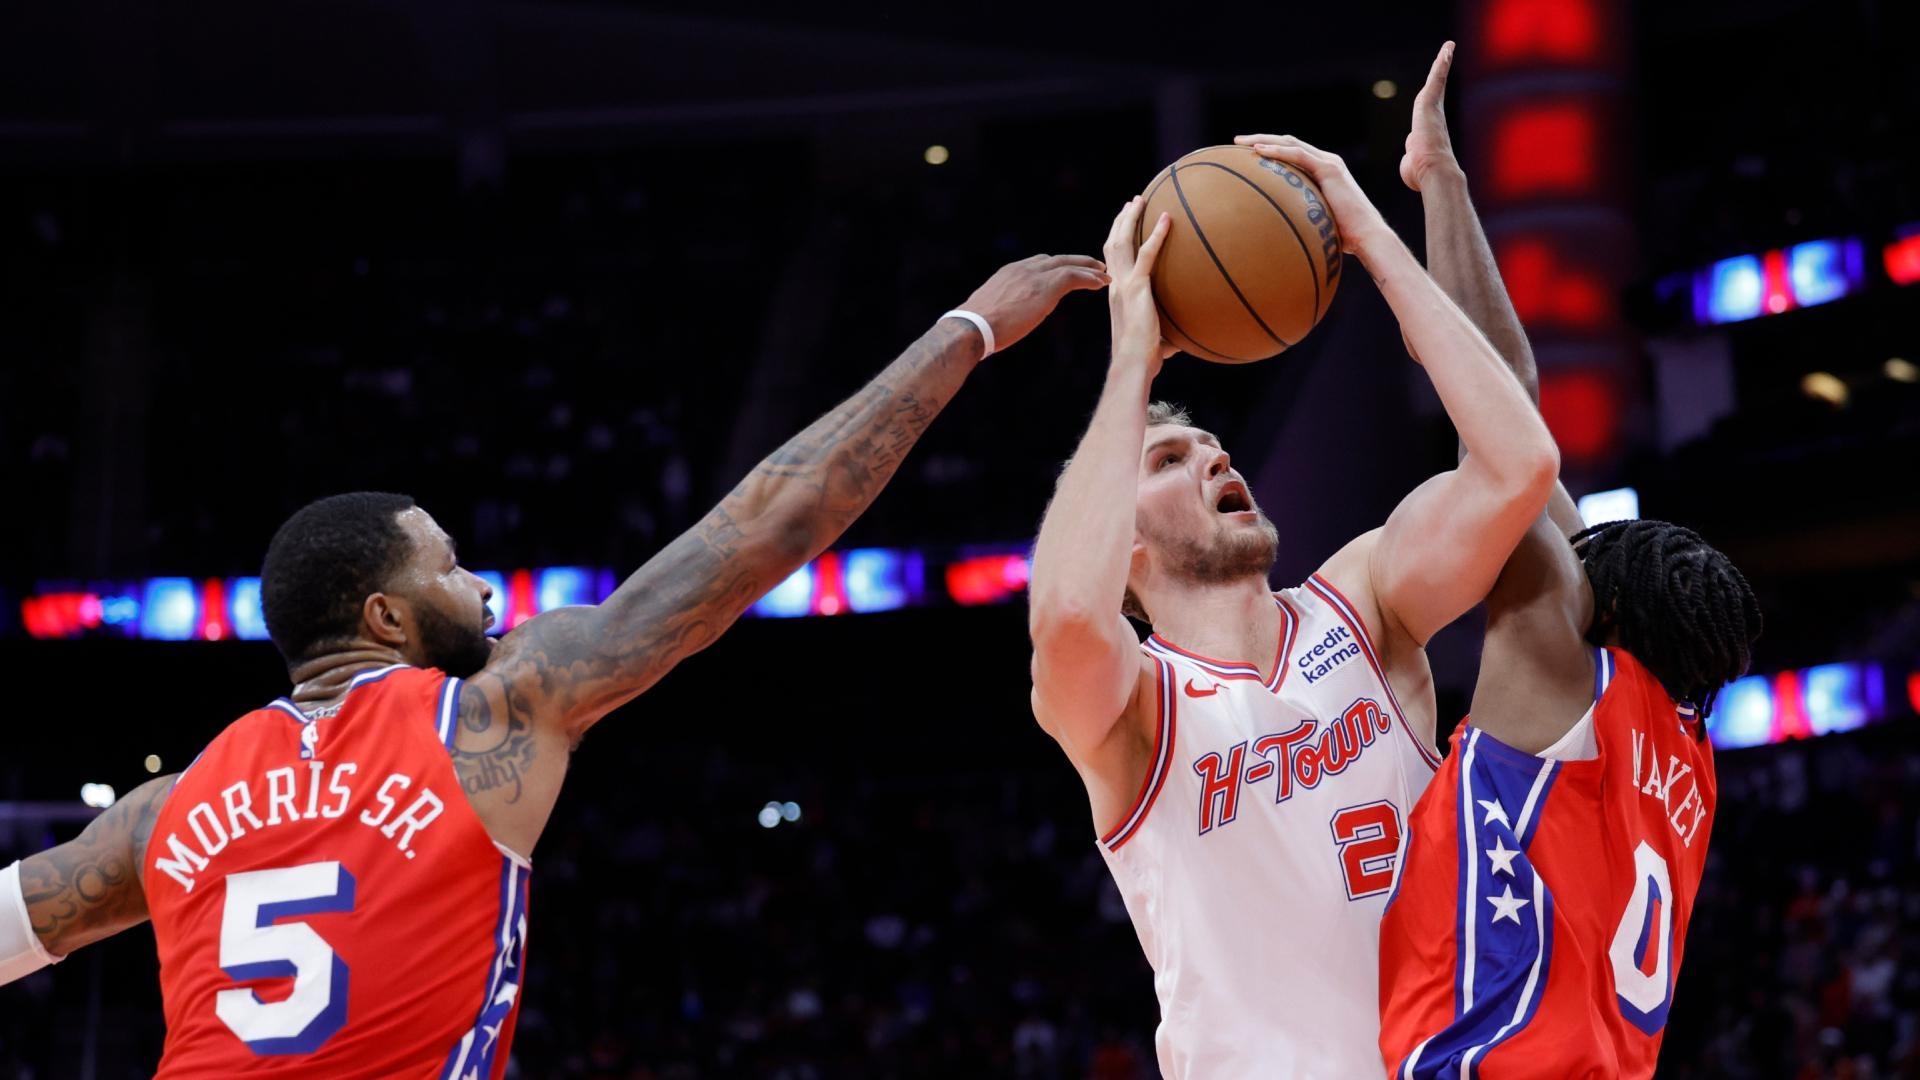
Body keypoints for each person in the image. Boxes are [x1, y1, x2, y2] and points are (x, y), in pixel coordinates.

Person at [0, 252, 1108, 1078]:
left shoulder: (167, 810)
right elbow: (772, 520)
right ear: (386, 615)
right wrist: (967, 329)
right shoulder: (496, 709)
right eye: (452, 566)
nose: (483, 586)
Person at [1026, 101, 1561, 1075]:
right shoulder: (1133, 712)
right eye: (1168, 457)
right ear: (1126, 548)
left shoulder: (1363, 600)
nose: (1212, 454)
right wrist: (1131, 366)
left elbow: (1518, 465)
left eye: (1211, 442)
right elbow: (1064, 613)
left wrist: (1365, 232)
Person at [1375, 42, 1763, 1079]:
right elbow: (1519, 414)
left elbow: (1499, 412)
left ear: (1603, 615)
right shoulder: (1684, 750)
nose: (1567, 556)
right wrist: (1444, 183)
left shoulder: (1562, 670)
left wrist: (1408, 209)